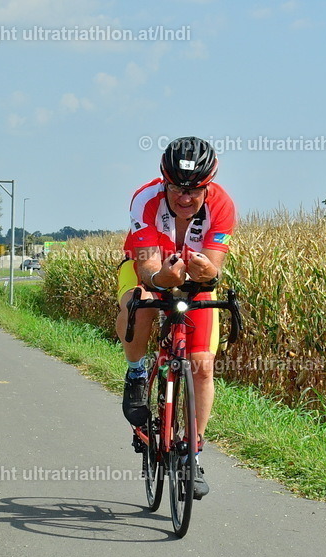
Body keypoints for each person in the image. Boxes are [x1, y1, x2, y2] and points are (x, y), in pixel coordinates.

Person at [116, 136, 236, 499]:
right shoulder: (145, 200)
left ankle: (192, 455)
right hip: (150, 270)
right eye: (177, 188)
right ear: (164, 181)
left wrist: (205, 274)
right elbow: (148, 268)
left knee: (201, 364)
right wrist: (161, 278)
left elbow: (214, 270)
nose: (185, 197)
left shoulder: (223, 205)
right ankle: (136, 371)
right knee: (140, 299)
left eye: (195, 189)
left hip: (194, 277)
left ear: (208, 185)